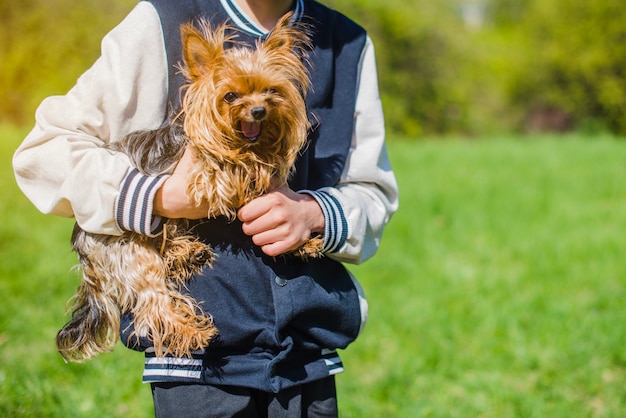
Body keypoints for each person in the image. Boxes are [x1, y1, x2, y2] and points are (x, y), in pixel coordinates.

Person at [13, 0, 399, 416]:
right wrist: (161, 197)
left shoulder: (348, 43)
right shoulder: (163, 19)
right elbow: (43, 152)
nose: (256, 104)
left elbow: (374, 192)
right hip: (198, 366)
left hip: (308, 357)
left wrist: (314, 213)